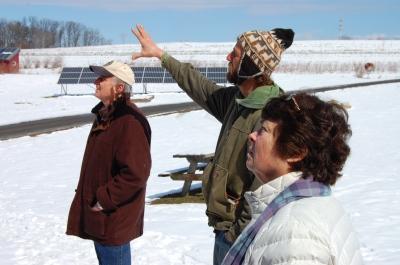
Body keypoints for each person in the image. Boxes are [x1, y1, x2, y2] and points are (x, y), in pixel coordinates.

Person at [131, 24, 294, 264]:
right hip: (225, 230)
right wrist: (160, 55)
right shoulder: (237, 101)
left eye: (235, 54)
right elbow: (198, 85)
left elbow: (266, 187)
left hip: (241, 238)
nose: (228, 57)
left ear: (250, 65)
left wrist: (236, 233)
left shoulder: (269, 114)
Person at [222, 93, 363, 265]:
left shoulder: (294, 235)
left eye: (263, 130)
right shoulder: (309, 205)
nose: (252, 135)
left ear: (295, 153)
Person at [66, 60, 151, 265]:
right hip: (103, 217)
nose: (96, 81)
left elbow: (136, 173)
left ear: (119, 88)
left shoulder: (129, 121)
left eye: (103, 78)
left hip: (113, 218)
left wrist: (103, 199)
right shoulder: (107, 116)